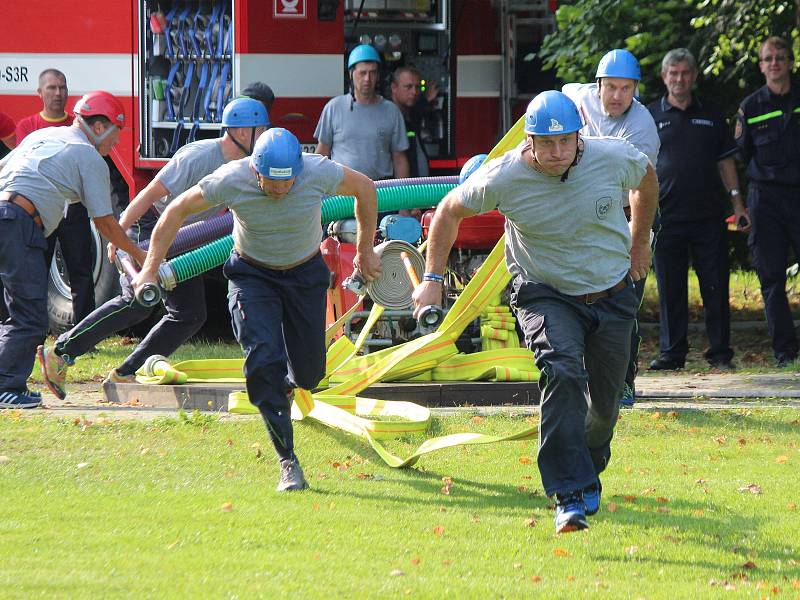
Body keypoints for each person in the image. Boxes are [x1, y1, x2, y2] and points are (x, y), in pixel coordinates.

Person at [413, 91, 658, 533]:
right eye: (547, 144)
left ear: (579, 137)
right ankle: (567, 495)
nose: (558, 152)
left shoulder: (611, 156)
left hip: (611, 291)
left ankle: (585, 465)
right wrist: (432, 280)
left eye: (565, 141)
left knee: (605, 407)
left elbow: (647, 179)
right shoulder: (502, 176)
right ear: (528, 141)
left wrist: (640, 241)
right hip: (545, 293)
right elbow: (448, 211)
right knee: (562, 371)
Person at [132, 128, 381, 491]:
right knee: (263, 359)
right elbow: (174, 211)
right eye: (271, 182)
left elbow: (366, 189)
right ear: (255, 170)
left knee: (310, 375)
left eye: (288, 182)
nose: (281, 190)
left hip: (304, 273)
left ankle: (285, 385)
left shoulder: (317, 171)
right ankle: (288, 461)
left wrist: (364, 249)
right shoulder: (231, 179)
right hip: (252, 276)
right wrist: (150, 270)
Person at [37, 97, 270, 398]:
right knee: (137, 301)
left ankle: (124, 373)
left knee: (189, 313)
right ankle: (61, 351)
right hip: (151, 224)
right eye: (261, 129)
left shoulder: (244, 165)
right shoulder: (199, 156)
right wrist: (121, 233)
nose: (265, 136)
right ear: (241, 133)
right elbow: (150, 193)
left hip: (184, 235)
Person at [0, 91, 146, 409]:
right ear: (98, 127)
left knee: (15, 311)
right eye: (116, 132)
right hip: (19, 223)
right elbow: (105, 223)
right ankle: (5, 387)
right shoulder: (89, 156)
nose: (115, 142)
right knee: (29, 315)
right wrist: (138, 254)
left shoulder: (44, 135)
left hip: (6, 213)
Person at [563, 48, 660, 408]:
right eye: (611, 87)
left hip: (630, 211)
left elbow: (640, 189)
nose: (617, 97)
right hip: (586, 212)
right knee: (578, 294)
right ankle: (579, 375)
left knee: (623, 302)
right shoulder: (575, 96)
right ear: (597, 84)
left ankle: (623, 383)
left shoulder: (642, 127)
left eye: (626, 89)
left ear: (635, 89)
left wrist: (639, 241)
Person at [647, 49, 748, 371]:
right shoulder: (649, 116)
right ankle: (672, 354)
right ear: (664, 77)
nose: (679, 79)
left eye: (685, 73)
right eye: (673, 73)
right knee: (670, 289)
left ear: (694, 76)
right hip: (666, 217)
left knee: (715, 287)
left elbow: (726, 162)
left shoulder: (712, 114)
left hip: (709, 217)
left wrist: (738, 203)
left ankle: (720, 354)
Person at [737, 36, 800, 367]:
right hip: (766, 199)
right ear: (761, 66)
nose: (774, 63)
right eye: (768, 58)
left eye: (780, 57)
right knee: (772, 277)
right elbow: (741, 155)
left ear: (790, 61)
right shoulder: (750, 107)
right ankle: (785, 351)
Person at [16, 69, 97, 324]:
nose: (58, 93)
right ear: (39, 93)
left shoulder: (77, 128)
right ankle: (36, 328)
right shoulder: (28, 127)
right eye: (51, 88)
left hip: (74, 207)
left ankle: (85, 331)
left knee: (81, 269)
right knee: (39, 268)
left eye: (62, 88)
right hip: (42, 208)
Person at [315, 44, 409, 180]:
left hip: (380, 190)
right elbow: (322, 153)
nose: (367, 79)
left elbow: (399, 158)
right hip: (342, 191)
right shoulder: (334, 108)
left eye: (372, 73)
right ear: (351, 74)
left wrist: (403, 194)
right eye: (362, 73)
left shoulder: (391, 111)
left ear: (378, 76)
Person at [390, 66, 438, 177]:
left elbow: (416, 112)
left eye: (417, 87)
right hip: (400, 189)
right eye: (408, 87)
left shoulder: (410, 114)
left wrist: (426, 100)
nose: (414, 92)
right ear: (394, 87)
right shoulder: (389, 117)